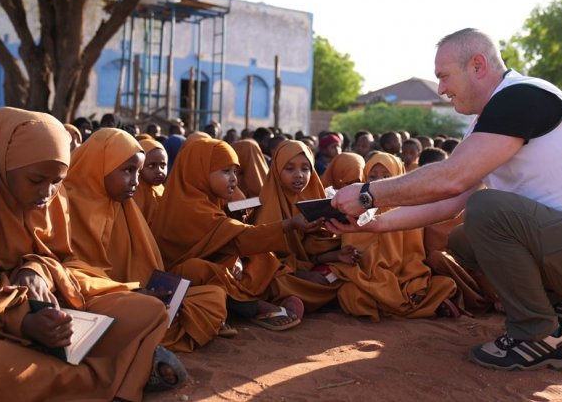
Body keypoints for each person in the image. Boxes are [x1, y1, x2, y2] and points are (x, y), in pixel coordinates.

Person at [330, 28, 562, 372]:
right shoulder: (492, 118)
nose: (440, 88)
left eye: (443, 76)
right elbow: (449, 202)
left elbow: (452, 178)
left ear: (478, 65)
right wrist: (377, 222)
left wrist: (368, 194)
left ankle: (539, 337)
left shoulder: (521, 98)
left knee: (487, 210)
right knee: (463, 239)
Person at [0, 107, 183, 400]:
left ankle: (94, 372)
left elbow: (62, 260)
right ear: (0, 164)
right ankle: (99, 376)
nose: (47, 191)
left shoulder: (54, 200)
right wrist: (24, 321)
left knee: (148, 311)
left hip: (55, 312)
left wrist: (35, 269)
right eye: (36, 180)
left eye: (57, 181)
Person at [63, 128, 227, 352]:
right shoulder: (64, 206)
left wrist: (154, 293)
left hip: (137, 299)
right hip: (91, 301)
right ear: (98, 166)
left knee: (214, 296)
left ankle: (147, 332)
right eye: (128, 171)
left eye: (138, 172)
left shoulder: (124, 207)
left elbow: (148, 269)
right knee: (143, 311)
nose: (135, 181)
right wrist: (127, 292)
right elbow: (65, 273)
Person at [152, 138, 305, 331]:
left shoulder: (211, 199)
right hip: (179, 277)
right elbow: (237, 237)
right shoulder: (188, 206)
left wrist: (237, 258)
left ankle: (251, 297)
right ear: (199, 171)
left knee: (260, 257)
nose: (234, 178)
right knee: (199, 269)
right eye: (226, 171)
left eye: (235, 171)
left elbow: (227, 238)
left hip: (214, 262)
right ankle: (252, 307)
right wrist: (289, 224)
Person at [330, 152, 457, 322]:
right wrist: (371, 270)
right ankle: (421, 307)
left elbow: (414, 256)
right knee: (349, 294)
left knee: (443, 285)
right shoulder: (356, 211)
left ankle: (404, 303)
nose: (377, 182)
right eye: (372, 177)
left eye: (386, 177)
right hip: (369, 279)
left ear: (397, 178)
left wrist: (414, 283)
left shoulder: (410, 210)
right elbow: (356, 255)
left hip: (403, 278)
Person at [254, 140, 350, 310]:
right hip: (282, 272)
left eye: (305, 169)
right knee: (273, 282)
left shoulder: (313, 197)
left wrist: (336, 252)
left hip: (306, 265)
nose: (299, 175)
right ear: (276, 170)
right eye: (290, 169)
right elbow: (263, 257)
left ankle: (301, 298)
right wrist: (302, 274)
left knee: (341, 273)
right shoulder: (267, 205)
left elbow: (314, 247)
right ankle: (288, 300)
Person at [133, 138, 168, 227]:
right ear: (138, 166)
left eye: (163, 165)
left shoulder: (162, 190)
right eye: (151, 165)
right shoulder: (133, 194)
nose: (159, 171)